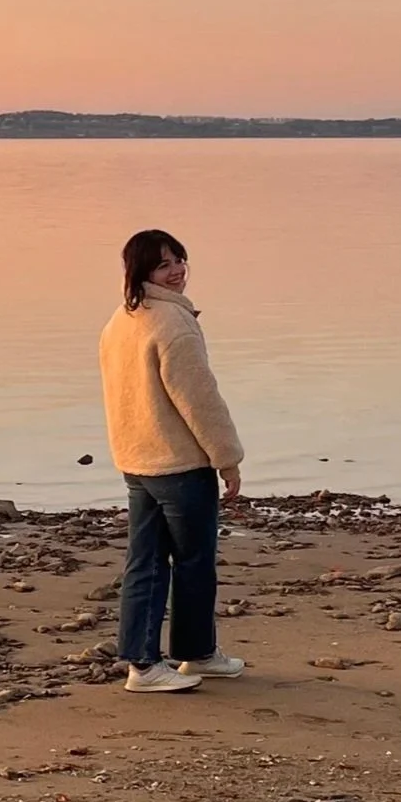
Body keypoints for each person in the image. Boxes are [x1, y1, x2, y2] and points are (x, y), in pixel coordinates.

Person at [98, 228, 247, 693]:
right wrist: (228, 458)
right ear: (143, 273)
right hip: (178, 464)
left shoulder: (121, 320)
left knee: (145, 561)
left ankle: (184, 655)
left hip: (137, 460)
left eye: (179, 259)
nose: (177, 269)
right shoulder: (172, 324)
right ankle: (158, 662)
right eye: (164, 264)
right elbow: (200, 401)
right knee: (192, 562)